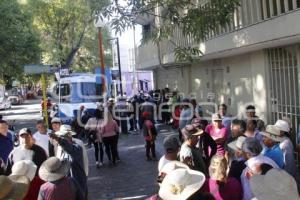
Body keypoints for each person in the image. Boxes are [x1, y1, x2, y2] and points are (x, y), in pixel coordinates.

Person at [49, 126, 87, 198]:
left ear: (69, 136)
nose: (61, 138)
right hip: (64, 184)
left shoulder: (77, 147)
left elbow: (69, 148)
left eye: (63, 136)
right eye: (60, 136)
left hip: (77, 183)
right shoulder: (59, 148)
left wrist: (58, 139)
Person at [274, 119, 300, 187]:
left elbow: (288, 164)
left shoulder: (285, 144)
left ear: (282, 132)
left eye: (276, 129)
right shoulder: (281, 141)